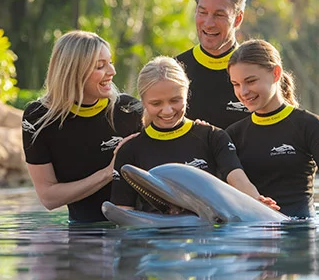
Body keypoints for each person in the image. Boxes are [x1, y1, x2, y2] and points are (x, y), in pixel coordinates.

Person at [110, 56, 277, 212]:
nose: (167, 111)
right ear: (143, 101)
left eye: (175, 100)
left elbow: (239, 181)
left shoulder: (212, 137)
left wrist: (258, 204)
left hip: (206, 236)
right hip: (155, 237)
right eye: (156, 103)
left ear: (187, 94)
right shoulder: (131, 150)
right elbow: (123, 213)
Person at [226, 40, 319, 219]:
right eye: (236, 84)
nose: (243, 91)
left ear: (276, 73)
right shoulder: (233, 134)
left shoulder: (309, 125)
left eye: (251, 81)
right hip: (255, 235)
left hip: (301, 232)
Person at [22, 30, 142, 223]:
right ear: (73, 71)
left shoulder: (129, 110)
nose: (112, 71)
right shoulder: (38, 118)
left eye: (110, 62)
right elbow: (48, 198)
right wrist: (108, 172)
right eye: (100, 66)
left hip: (136, 231)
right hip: (81, 232)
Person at [175, 0, 250, 129]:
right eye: (202, 12)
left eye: (219, 15)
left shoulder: (258, 71)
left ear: (238, 19)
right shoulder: (174, 70)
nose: (208, 23)